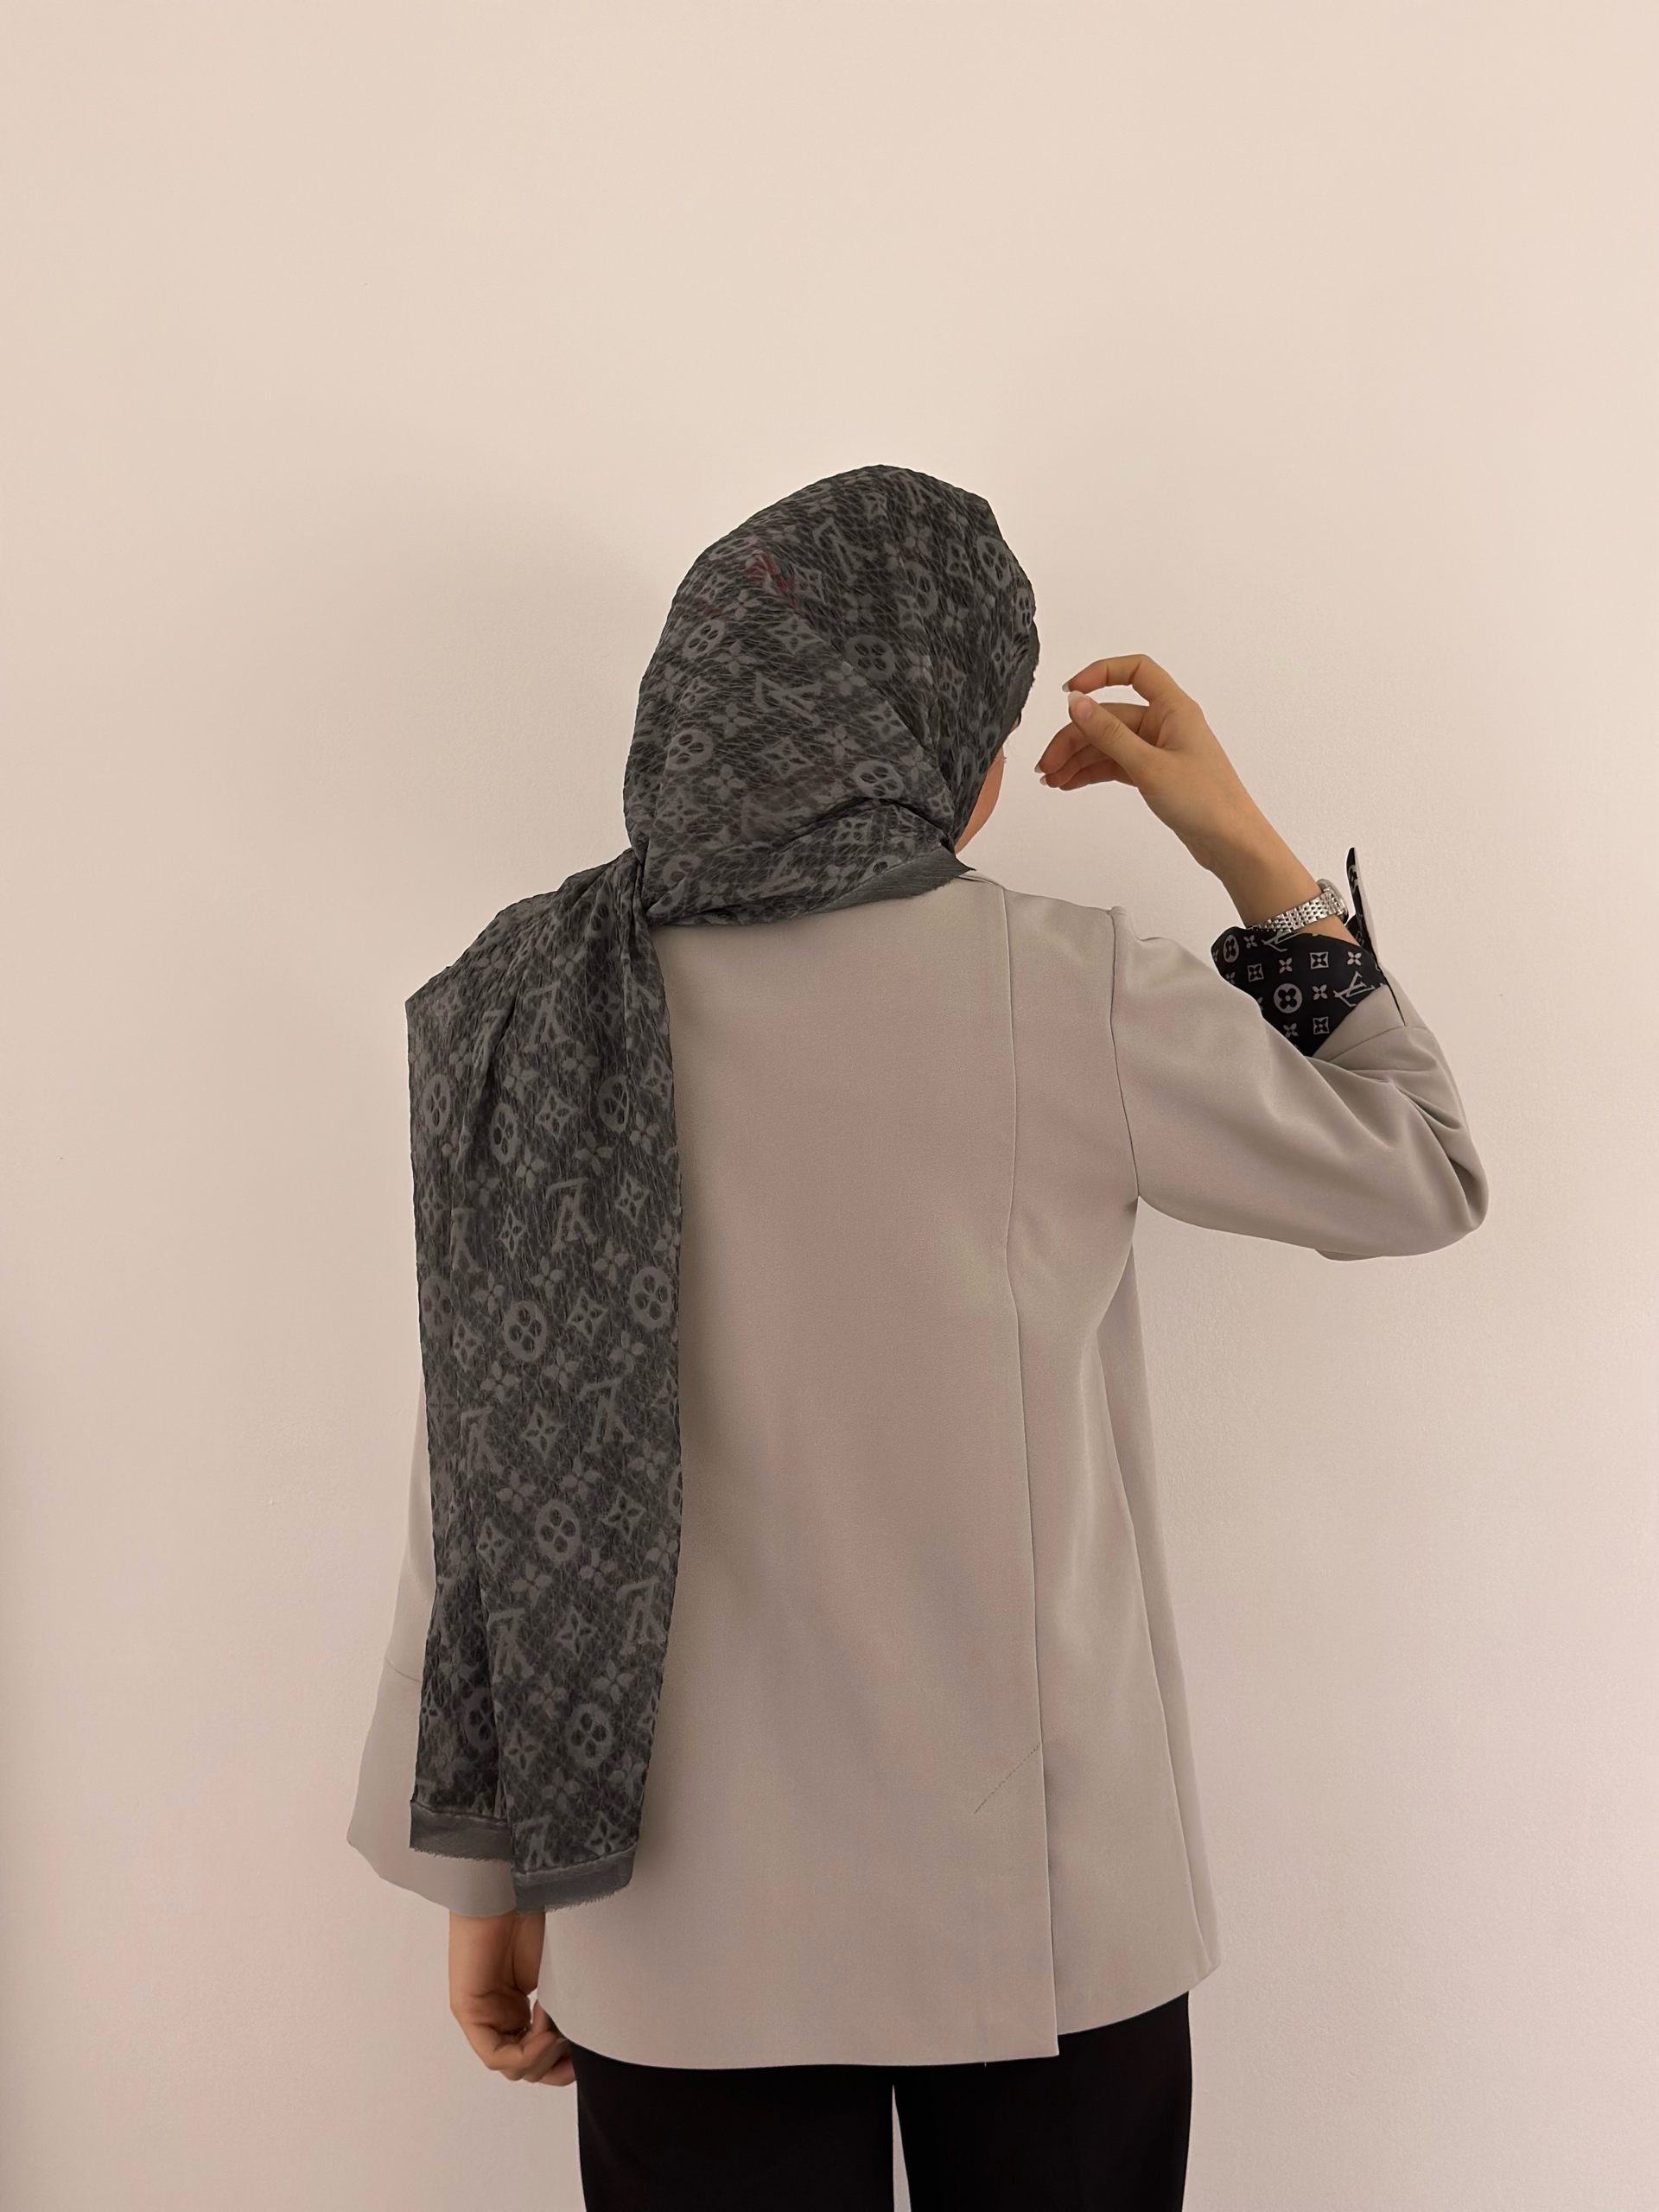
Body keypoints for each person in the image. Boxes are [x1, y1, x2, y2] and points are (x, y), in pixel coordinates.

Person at [348, 467, 1486, 2211]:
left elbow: (487, 1470)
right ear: (937, 740)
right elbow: (1421, 1169)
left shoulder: (529, 1001)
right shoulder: (1072, 984)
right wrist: (1243, 844)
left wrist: (484, 1879)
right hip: (1042, 1913)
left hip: (667, 1903)